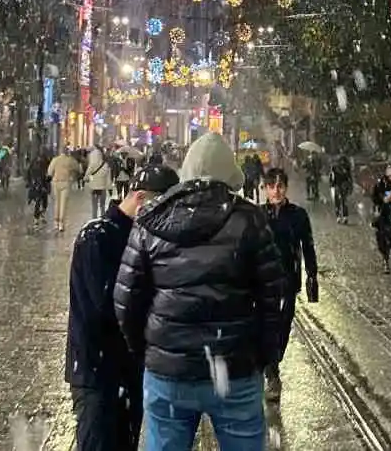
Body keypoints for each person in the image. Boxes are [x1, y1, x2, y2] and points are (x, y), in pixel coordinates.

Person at [114, 133, 287, 450]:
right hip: (234, 371)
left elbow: (126, 299)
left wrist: (151, 351)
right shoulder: (250, 220)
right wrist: (264, 356)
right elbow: (274, 296)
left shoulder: (151, 219)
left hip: (169, 373)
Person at [66, 165, 180, 451]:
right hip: (98, 370)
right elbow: (105, 306)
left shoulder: (145, 236)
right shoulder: (98, 236)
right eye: (161, 208)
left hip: (130, 370)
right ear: (140, 198)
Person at [261, 168, 317, 403]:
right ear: (265, 188)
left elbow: (308, 246)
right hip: (262, 281)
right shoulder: (256, 215)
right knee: (266, 326)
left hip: (288, 278)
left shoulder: (297, 215)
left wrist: (311, 275)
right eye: (271, 186)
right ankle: (272, 371)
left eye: (280, 186)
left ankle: (274, 361)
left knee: (283, 325)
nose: (276, 191)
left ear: (286, 188)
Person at [48, 146, 83, 232]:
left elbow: (49, 171)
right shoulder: (70, 160)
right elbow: (79, 169)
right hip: (66, 182)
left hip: (56, 182)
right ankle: (61, 224)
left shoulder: (55, 160)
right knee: (63, 204)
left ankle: (56, 222)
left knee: (57, 202)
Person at [86, 145, 114, 215]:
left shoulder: (91, 165)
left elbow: (86, 176)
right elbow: (108, 179)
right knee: (102, 205)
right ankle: (102, 217)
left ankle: (94, 218)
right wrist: (110, 188)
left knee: (94, 206)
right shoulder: (106, 165)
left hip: (93, 188)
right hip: (102, 188)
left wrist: (89, 179)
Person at [27, 152, 52, 226]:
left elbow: (28, 174)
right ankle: (38, 216)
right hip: (41, 186)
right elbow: (47, 176)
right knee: (42, 202)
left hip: (36, 186)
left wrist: (30, 183)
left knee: (39, 202)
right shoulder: (44, 166)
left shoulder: (34, 165)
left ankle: (37, 217)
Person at [331, 153, 354, 224]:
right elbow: (332, 177)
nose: (342, 162)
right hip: (339, 185)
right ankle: (341, 216)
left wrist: (350, 185)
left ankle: (343, 216)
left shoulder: (346, 167)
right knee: (340, 201)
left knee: (342, 201)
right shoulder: (335, 167)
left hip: (342, 185)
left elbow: (349, 177)